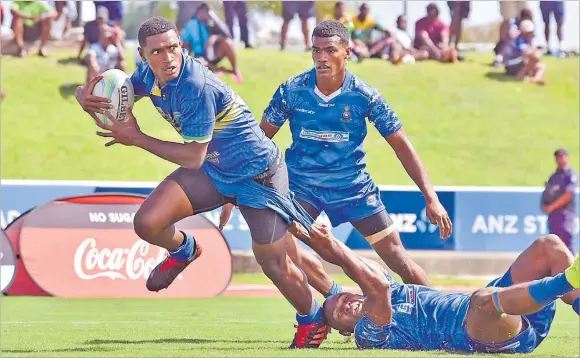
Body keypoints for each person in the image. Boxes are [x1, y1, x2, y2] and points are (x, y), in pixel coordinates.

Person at [74, 16, 328, 349]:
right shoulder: (146, 77)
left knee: (274, 262)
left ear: (182, 46)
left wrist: (136, 137)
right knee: (147, 222)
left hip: (258, 174)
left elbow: (193, 157)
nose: (167, 58)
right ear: (142, 54)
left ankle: (312, 319)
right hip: (215, 169)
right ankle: (184, 250)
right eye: (157, 52)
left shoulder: (195, 86)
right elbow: (112, 97)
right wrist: (83, 95)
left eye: (173, 48)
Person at [222, 20, 451, 312]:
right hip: (302, 188)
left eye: (330, 50)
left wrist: (431, 198)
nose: (321, 58)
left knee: (399, 260)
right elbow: (259, 142)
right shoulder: (291, 91)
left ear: (348, 52)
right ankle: (335, 298)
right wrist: (233, 188)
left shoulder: (365, 95)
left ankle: (443, 314)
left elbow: (402, 146)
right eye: (316, 50)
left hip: (353, 188)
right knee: (277, 247)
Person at [311, 221, 580, 353]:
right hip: (483, 331)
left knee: (549, 246)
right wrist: (332, 244)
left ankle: (573, 289)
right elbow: (376, 287)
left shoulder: (391, 289)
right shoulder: (367, 336)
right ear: (346, 330)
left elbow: (369, 275)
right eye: (340, 313)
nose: (345, 304)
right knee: (483, 300)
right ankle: (568, 280)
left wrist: (308, 236)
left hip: (512, 306)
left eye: (344, 298)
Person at [181, 3, 242, 83]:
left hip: (213, 54)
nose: (204, 14)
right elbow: (185, 44)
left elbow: (227, 35)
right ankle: (217, 69)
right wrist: (187, 61)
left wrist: (215, 38)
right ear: (198, 12)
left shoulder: (212, 21)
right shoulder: (191, 24)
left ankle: (234, 70)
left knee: (228, 43)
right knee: (201, 65)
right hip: (199, 57)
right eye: (202, 11)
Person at [542, 148, 578, 254]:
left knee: (566, 244)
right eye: (557, 157)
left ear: (568, 158)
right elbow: (547, 192)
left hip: (565, 214)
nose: (560, 159)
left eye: (562, 156)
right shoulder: (554, 176)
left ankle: (573, 269)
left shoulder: (570, 174)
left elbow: (569, 194)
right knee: (554, 243)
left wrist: (552, 207)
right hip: (553, 216)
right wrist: (544, 206)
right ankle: (558, 270)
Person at [503, 20, 546, 85]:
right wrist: (535, 51)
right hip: (511, 64)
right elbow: (524, 53)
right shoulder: (519, 39)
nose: (530, 34)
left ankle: (536, 79)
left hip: (519, 63)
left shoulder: (526, 40)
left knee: (541, 67)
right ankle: (520, 75)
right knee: (535, 57)